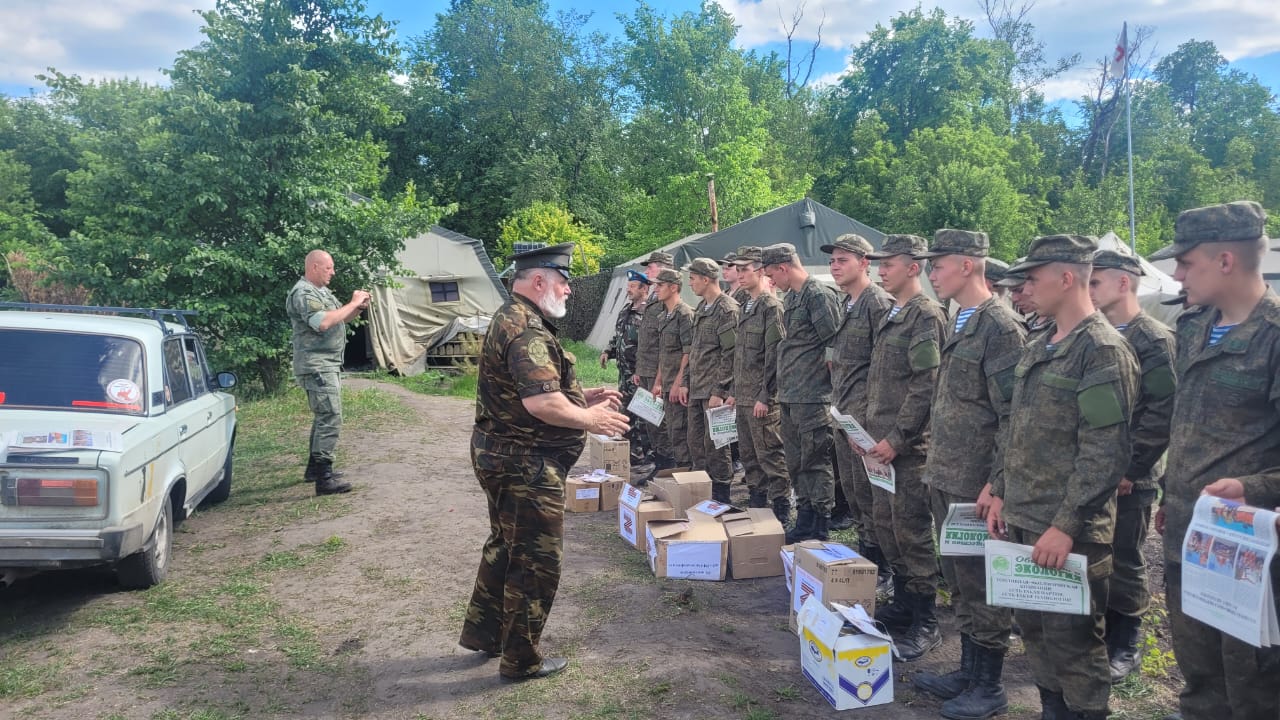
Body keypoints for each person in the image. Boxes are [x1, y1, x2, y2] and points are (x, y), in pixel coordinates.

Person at [459, 243, 630, 682]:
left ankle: (485, 634)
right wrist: (589, 417)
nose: (570, 290)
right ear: (539, 281)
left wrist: (581, 398)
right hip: (525, 466)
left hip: (503, 456)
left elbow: (536, 391)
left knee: (504, 545)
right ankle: (521, 659)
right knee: (536, 562)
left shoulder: (513, 316)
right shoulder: (528, 330)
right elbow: (541, 404)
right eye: (563, 280)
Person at [985, 234, 1139, 720]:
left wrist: (1066, 525)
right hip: (1026, 517)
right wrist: (1000, 492)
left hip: (1068, 530)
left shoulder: (1101, 350)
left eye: (1033, 277)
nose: (1024, 285)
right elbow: (1017, 427)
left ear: (1067, 277)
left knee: (1074, 643)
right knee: (1034, 631)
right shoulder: (1042, 342)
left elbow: (1105, 451)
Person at [1148, 201, 1280, 720]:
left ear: (1225, 261)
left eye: (1186, 262)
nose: (1176, 274)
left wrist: (1254, 487)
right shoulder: (1192, 325)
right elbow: (1189, 425)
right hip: (1189, 532)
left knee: (1254, 686)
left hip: (1248, 548)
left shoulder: (1273, 338)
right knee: (1198, 676)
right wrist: (1170, 495)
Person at [913, 230, 1026, 716]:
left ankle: (990, 685)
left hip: (977, 485)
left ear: (965, 265)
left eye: (936, 265)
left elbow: (1012, 414)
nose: (930, 274)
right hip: (947, 475)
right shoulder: (962, 320)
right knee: (959, 579)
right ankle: (969, 669)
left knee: (982, 584)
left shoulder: (1000, 327)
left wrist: (996, 483)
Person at [1088, 249, 1177, 683]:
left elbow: (1160, 412)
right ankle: (1099, 630)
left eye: (1096, 281)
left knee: (1125, 556)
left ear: (1124, 282)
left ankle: (1127, 640)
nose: (1089, 289)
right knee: (1095, 554)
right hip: (1096, 471)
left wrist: (1131, 469)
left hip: (1130, 478)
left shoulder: (1153, 338)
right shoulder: (1095, 333)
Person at [858, 234, 947, 662]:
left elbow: (925, 385)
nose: (880, 269)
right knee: (886, 525)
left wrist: (897, 438)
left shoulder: (925, 315)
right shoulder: (894, 312)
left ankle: (926, 621)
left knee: (911, 531)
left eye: (888, 262)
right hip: (879, 445)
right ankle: (906, 604)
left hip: (908, 449)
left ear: (914, 267)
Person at [823, 234, 895, 590]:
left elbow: (883, 371)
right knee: (854, 495)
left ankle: (884, 567)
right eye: (833, 261)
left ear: (864, 263)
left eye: (843, 260)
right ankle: (868, 557)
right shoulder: (848, 303)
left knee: (873, 499)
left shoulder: (877, 303)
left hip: (864, 421)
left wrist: (864, 426)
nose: (835, 266)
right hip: (844, 415)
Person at [761, 242, 841, 542]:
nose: (771, 281)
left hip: (813, 396)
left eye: (772, 274)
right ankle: (805, 516)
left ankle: (820, 522)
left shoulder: (818, 295)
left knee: (815, 461)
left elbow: (835, 344)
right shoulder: (793, 298)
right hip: (792, 394)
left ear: (784, 267)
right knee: (796, 461)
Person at [286, 249, 369, 496]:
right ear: (314, 267)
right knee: (330, 416)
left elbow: (338, 319)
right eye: (328, 268)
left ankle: (315, 469)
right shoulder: (303, 292)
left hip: (325, 363)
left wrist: (358, 308)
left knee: (324, 415)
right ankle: (324, 478)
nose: (333, 272)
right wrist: (352, 302)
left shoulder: (321, 292)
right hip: (316, 364)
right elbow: (321, 323)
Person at [727, 247, 790, 521]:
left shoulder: (771, 307)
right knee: (749, 456)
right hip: (743, 396)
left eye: (745, 269)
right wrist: (732, 392)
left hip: (761, 398)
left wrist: (766, 395)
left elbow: (775, 356)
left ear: (761, 270)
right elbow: (740, 356)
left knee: (771, 456)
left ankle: (781, 507)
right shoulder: (746, 306)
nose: (740, 275)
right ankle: (757, 503)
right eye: (737, 270)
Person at [685, 258, 740, 502]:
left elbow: (731, 353)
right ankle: (702, 488)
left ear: (706, 279)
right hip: (698, 388)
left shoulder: (726, 309)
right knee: (696, 442)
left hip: (714, 392)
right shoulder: (701, 308)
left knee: (717, 444)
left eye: (693, 278)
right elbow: (697, 350)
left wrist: (720, 390)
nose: (690, 283)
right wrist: (686, 382)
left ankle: (721, 493)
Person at [600, 269, 656, 479]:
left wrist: (643, 371)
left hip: (641, 375)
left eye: (633, 287)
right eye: (628, 286)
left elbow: (651, 345)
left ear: (644, 288)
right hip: (625, 376)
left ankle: (650, 459)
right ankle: (634, 456)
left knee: (645, 418)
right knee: (626, 417)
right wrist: (608, 351)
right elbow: (619, 335)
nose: (628, 290)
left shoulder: (649, 312)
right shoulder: (626, 310)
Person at [633, 251, 676, 469]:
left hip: (660, 371)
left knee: (661, 422)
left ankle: (666, 466)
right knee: (650, 421)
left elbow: (664, 344)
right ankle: (658, 464)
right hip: (647, 369)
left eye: (651, 267)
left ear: (664, 268)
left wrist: (659, 378)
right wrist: (639, 369)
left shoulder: (666, 300)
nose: (647, 271)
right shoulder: (653, 297)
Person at [652, 268, 695, 468]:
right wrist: (659, 382)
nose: (656, 289)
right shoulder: (664, 316)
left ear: (674, 287)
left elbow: (688, 352)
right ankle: (680, 471)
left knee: (681, 432)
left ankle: (687, 474)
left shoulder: (684, 314)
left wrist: (679, 382)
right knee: (672, 431)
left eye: (660, 285)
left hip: (679, 384)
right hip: (668, 383)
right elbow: (664, 353)